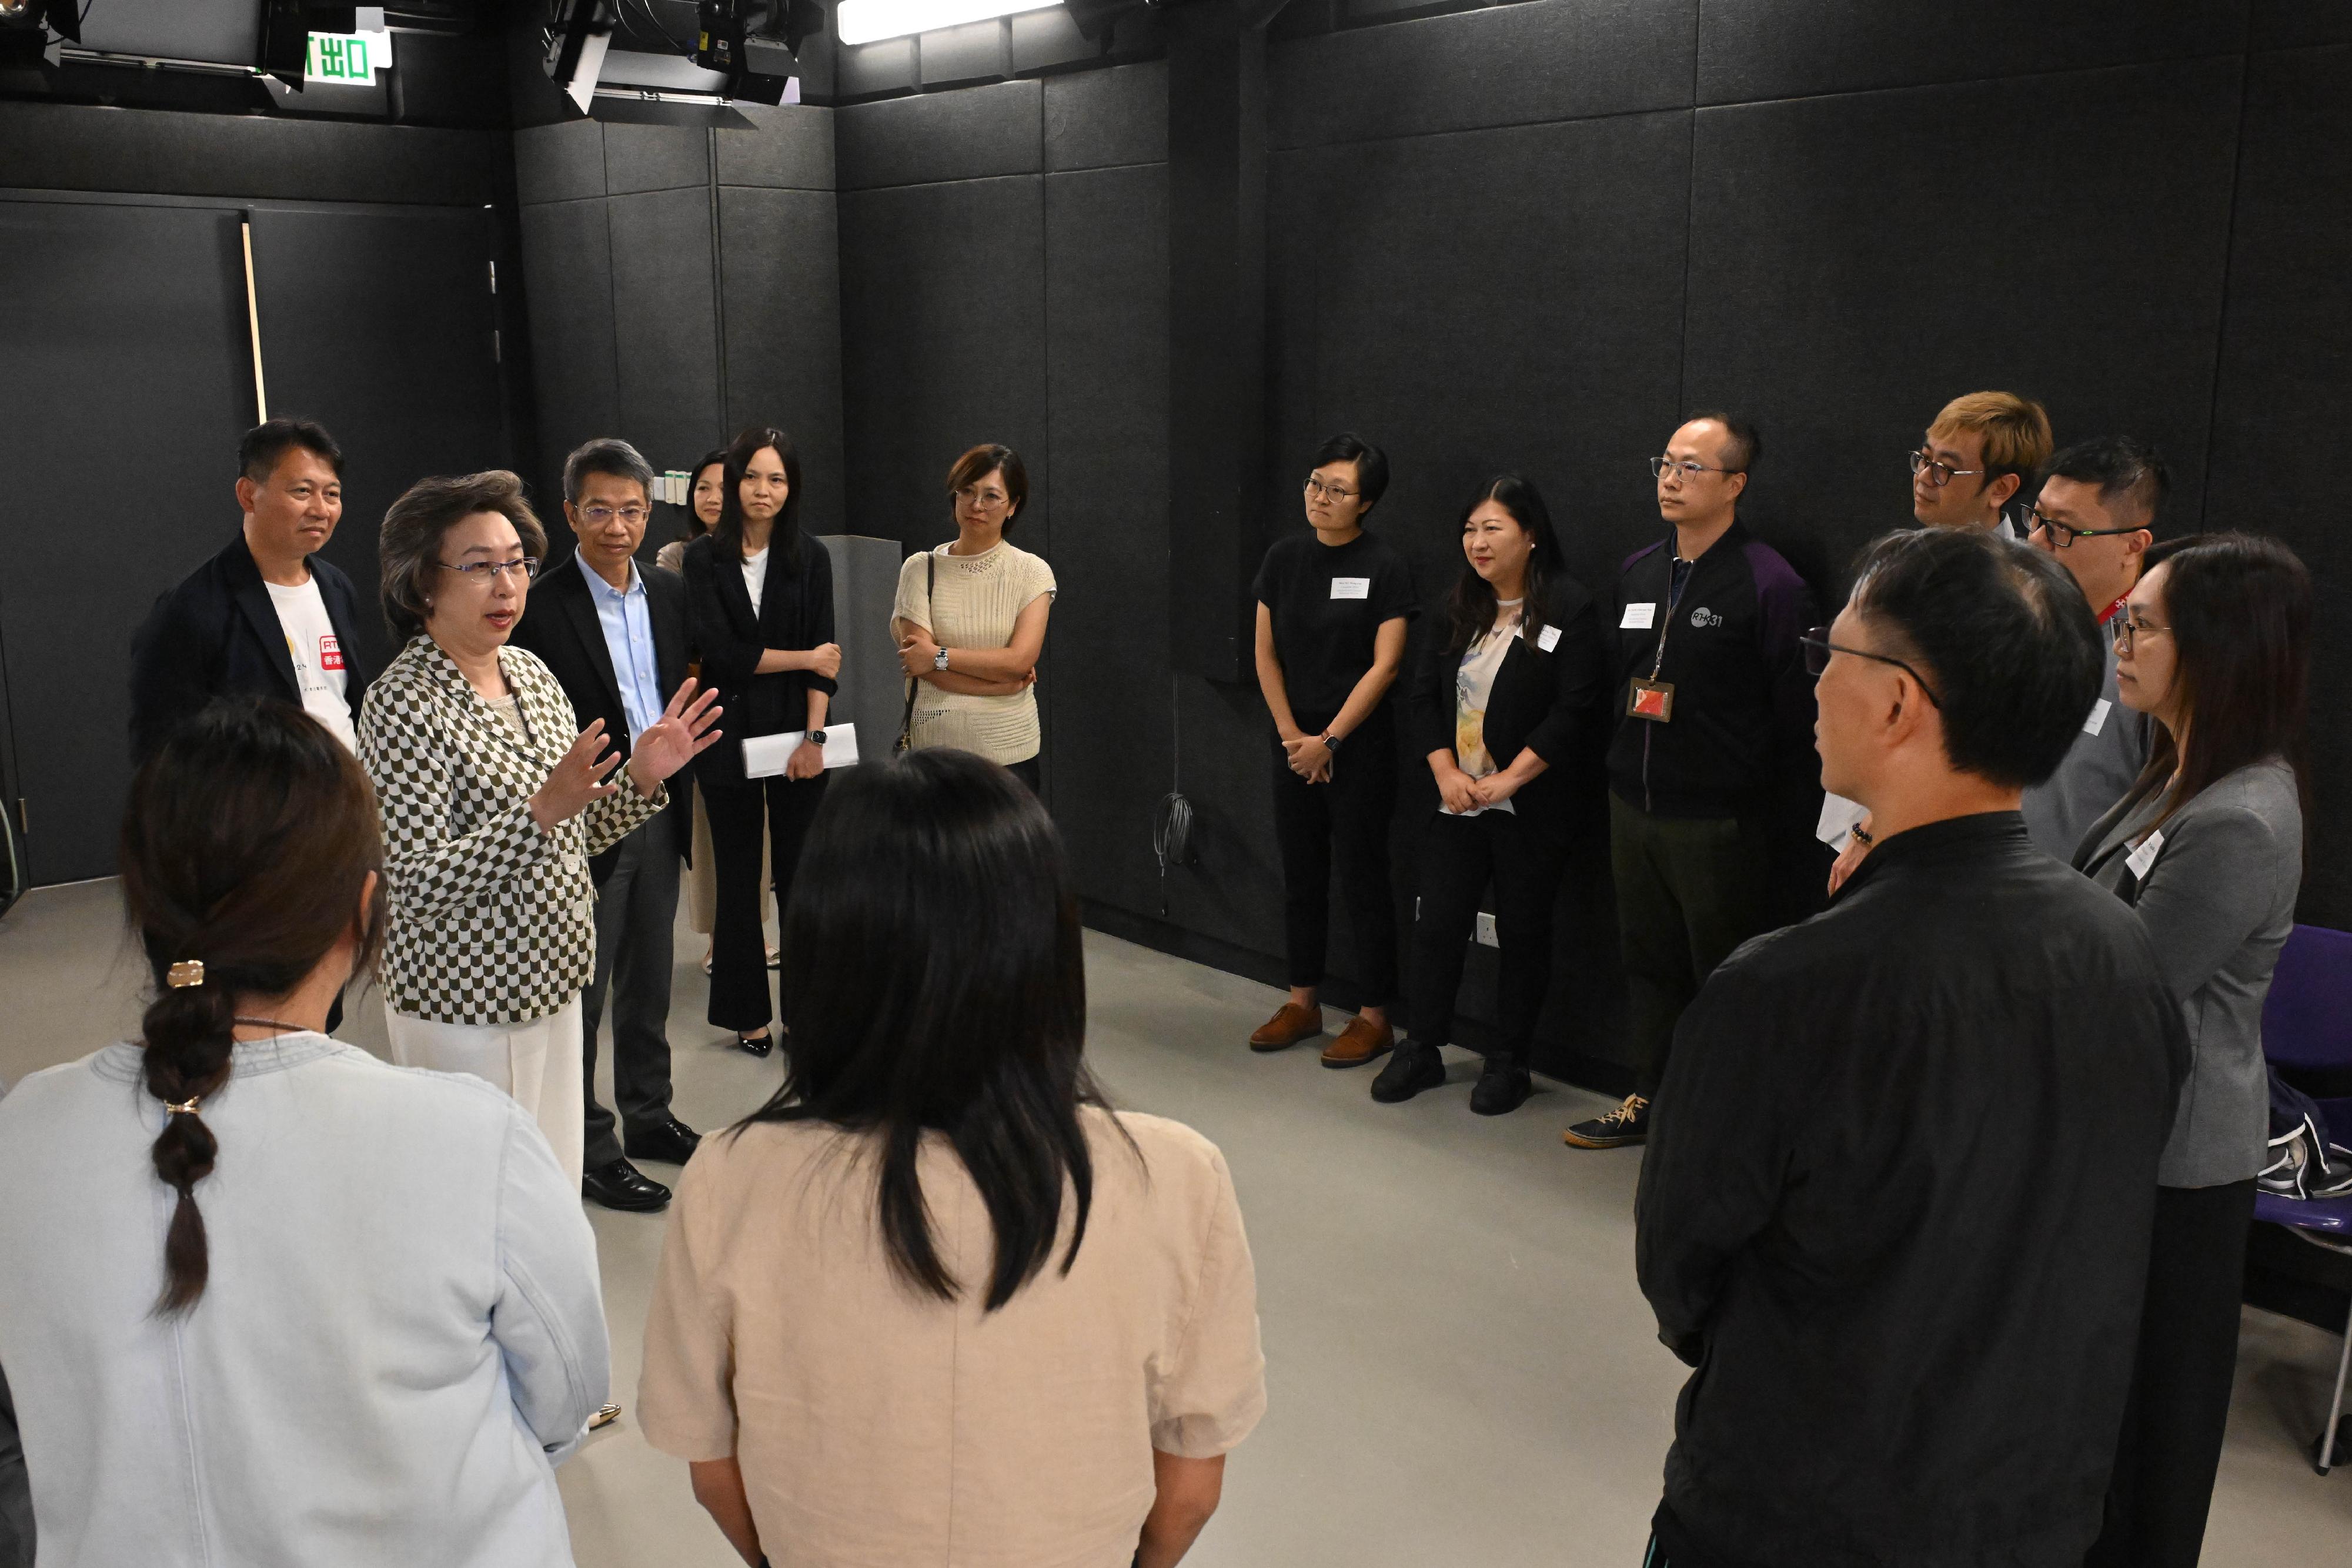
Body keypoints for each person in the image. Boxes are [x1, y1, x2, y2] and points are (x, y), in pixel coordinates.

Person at [1635, 526, 2187, 1568]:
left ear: (1896, 702)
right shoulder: (2127, 955)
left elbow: (1682, 1272)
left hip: (1798, 1508)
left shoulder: (1780, 989)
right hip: (2030, 1508)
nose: (1812, 688)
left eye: (1827, 657)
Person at [0, 700, 612, 1567]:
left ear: (144, 906)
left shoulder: (24, 1130)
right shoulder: (469, 1141)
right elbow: (568, 1398)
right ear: (363, 908)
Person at [638, 750, 1265, 1568]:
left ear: (827, 950)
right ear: (1048, 950)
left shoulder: (729, 1177)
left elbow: (712, 1465)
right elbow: (1189, 1489)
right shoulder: (1177, 1174)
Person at [360, 470, 721, 1190]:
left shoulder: (529, 672)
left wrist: (643, 780)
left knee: (548, 1191)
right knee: (476, 1201)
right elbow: (412, 882)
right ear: (421, 583)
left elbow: (576, 836)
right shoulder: (401, 704)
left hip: (553, 986)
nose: (507, 585)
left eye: (517, 563)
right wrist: (539, 813)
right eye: (480, 566)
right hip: (464, 1002)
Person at [2076, 533, 2311, 1568]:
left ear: (2217, 646)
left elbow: (2122, 988)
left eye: (2142, 625)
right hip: (2123, 1140)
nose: (2120, 641)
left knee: (2151, 1437)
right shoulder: (2174, 769)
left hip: (2175, 1162)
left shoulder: (2241, 818)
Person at [1564, 414, 1816, 1151]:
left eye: (1691, 468)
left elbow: (1794, 717)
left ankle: (1724, 1126)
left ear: (1735, 484)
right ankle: (1650, 1098)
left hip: (1718, 822)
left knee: (1725, 978)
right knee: (1648, 963)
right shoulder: (1640, 569)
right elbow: (1620, 683)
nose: (1670, 480)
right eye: (1665, 464)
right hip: (1632, 806)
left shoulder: (1772, 584)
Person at [509, 438, 704, 1214]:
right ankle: (590, 1143)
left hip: (658, 804)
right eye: (600, 509)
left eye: (631, 509)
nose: (617, 525)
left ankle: (649, 1113)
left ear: (648, 510)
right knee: (583, 990)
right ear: (569, 513)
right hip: (583, 818)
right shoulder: (540, 602)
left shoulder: (668, 590)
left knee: (649, 975)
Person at [1370, 475, 1602, 1115]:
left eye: (1493, 528)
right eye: (1470, 529)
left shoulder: (1567, 606)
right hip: (1455, 800)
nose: (1477, 541)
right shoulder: (1458, 606)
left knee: (1524, 933)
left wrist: (1511, 777)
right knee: (1437, 926)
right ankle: (1421, 1046)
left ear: (1531, 536)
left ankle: (1510, 1061)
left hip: (1530, 804)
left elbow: (1575, 708)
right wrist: (1445, 773)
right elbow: (1423, 697)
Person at [1246, 433, 1416, 1066]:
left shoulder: (1385, 565)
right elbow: (1265, 652)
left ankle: (1375, 1017)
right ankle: (1302, 1001)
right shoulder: (1284, 558)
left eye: (1337, 490)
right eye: (1315, 484)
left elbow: (1387, 665)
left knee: (1364, 875)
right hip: (1293, 741)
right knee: (1301, 873)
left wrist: (1330, 740)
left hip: (1359, 746)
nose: (1320, 497)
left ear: (1365, 502)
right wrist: (1294, 737)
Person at [682, 426, 838, 1058]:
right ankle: (748, 1014)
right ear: (733, 481)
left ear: (791, 486)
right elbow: (720, 653)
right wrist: (802, 654)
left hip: (801, 740)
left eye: (777, 478)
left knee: (803, 882)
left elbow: (828, 662)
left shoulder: (812, 556)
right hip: (724, 738)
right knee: (739, 881)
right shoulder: (702, 559)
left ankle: (809, 1016)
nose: (763, 490)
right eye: (752, 477)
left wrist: (815, 737)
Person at [128, 417, 375, 763]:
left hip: (350, 801)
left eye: (332, 494)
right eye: (302, 491)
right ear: (248, 495)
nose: (321, 509)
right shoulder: (193, 605)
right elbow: (160, 745)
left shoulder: (337, 588)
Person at [660, 449, 778, 971]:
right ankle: (720, 940)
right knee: (711, 838)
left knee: (762, 837)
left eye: (723, 488)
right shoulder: (676, 557)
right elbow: (699, 640)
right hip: (700, 713)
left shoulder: (765, 556)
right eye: (702, 488)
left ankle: (747, 935)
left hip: (762, 712)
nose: (713, 498)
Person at [893, 442, 1057, 792]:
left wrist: (939, 657)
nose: (976, 505)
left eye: (991, 496)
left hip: (1011, 753)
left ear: (1012, 506)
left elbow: (1019, 660)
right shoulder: (920, 569)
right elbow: (919, 666)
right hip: (934, 751)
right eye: (966, 491)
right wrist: (1004, 685)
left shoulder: (1032, 573)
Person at [1909, 389, 2053, 539]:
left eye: (1945, 468)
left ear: (2001, 489)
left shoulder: (2011, 562)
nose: (1924, 477)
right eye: (1925, 458)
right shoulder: (1901, 555)